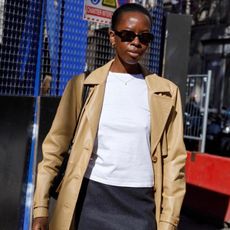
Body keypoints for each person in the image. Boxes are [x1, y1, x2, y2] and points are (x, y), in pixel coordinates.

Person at [32, 3, 186, 230]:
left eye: (144, 37)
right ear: (112, 37)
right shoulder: (82, 85)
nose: (136, 42)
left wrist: (168, 222)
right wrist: (40, 210)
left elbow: (175, 163)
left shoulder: (166, 92)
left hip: (141, 204)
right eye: (127, 35)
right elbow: (54, 150)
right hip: (90, 199)